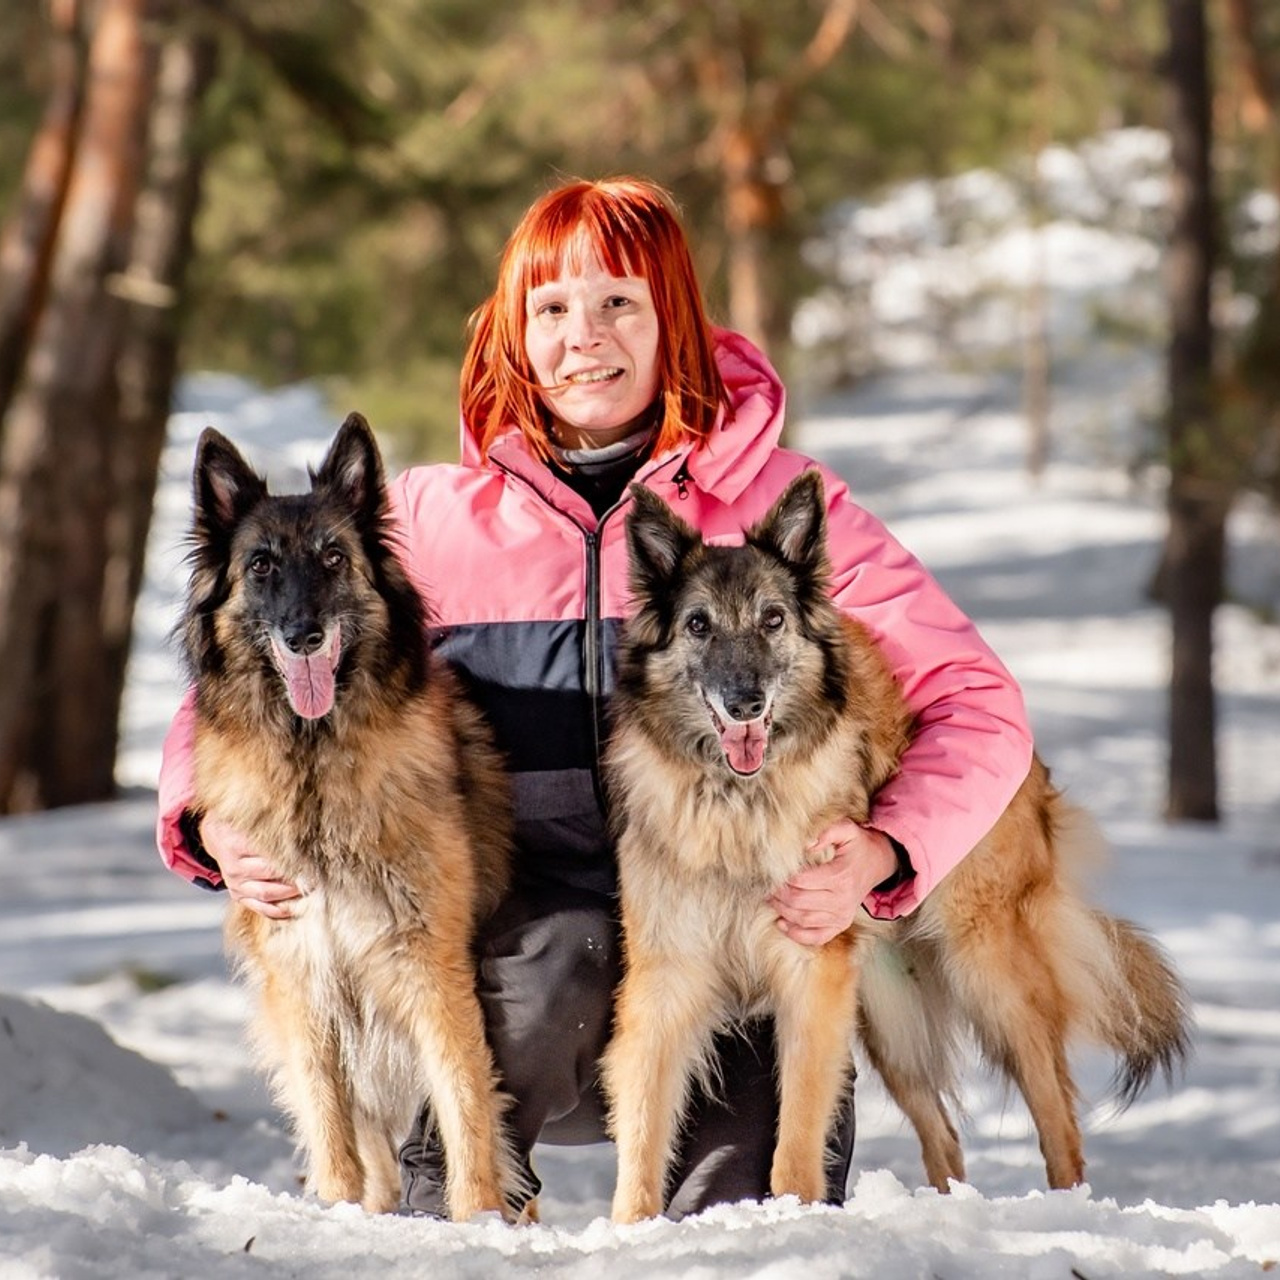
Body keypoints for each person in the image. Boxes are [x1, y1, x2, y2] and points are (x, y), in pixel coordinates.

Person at [155, 177, 1034, 1219]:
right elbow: (232, 680)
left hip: (740, 929)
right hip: (528, 940)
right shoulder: (430, 520)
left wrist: (886, 849)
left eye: (619, 301)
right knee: (539, 991)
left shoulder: (779, 508)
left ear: (673, 319)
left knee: (748, 1224)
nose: (585, 336)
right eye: (552, 308)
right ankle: (463, 1201)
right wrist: (203, 814)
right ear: (512, 334)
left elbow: (977, 701)